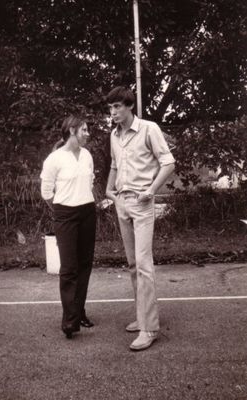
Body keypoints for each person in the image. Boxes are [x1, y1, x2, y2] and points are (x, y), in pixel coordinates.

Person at [105, 86, 175, 351]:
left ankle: (150, 328)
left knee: (144, 265)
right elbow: (114, 165)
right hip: (122, 202)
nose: (112, 112)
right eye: (110, 108)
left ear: (129, 106)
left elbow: (168, 163)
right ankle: (141, 316)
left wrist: (151, 191)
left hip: (143, 203)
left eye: (117, 107)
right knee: (133, 265)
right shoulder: (114, 135)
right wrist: (109, 191)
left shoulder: (149, 129)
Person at [40, 115, 96, 339]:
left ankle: (79, 312)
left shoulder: (87, 155)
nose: (88, 133)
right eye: (84, 129)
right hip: (65, 214)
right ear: (72, 130)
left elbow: (90, 182)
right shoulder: (54, 159)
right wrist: (61, 211)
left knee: (85, 265)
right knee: (69, 267)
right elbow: (46, 192)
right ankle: (69, 321)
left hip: (88, 212)